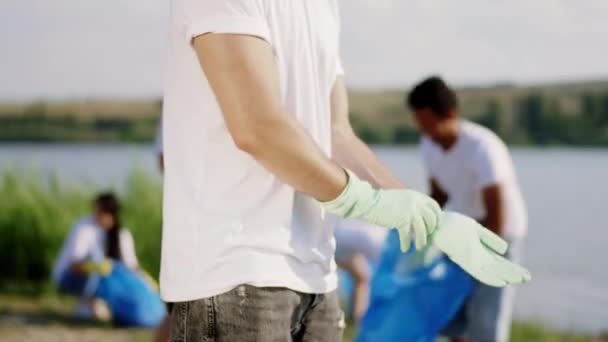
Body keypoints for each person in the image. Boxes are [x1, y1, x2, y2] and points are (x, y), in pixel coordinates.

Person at [160, 1, 527, 340]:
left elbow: (337, 134)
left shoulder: (323, 7)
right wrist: (365, 202)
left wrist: (426, 216)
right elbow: (257, 127)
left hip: (317, 274)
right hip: (234, 272)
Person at [407, 76, 528, 342]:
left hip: (500, 237)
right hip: (463, 232)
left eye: (429, 125)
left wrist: (478, 261)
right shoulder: (429, 145)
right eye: (420, 125)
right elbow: (439, 193)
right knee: (447, 312)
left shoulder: (483, 148)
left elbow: (497, 215)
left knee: (486, 323)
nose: (425, 133)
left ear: (451, 114)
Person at [52, 193, 141, 320]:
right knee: (97, 262)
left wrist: (148, 285)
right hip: (71, 276)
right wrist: (99, 266)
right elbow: (74, 264)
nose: (95, 215)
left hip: (103, 279)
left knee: (122, 274)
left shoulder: (122, 234)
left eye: (99, 212)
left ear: (111, 214)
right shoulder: (84, 227)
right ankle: (86, 304)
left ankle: (102, 304)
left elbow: (132, 266)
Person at [334, 219, 387, 322]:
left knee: (361, 278)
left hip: (341, 231)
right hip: (368, 234)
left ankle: (355, 318)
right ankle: (358, 319)